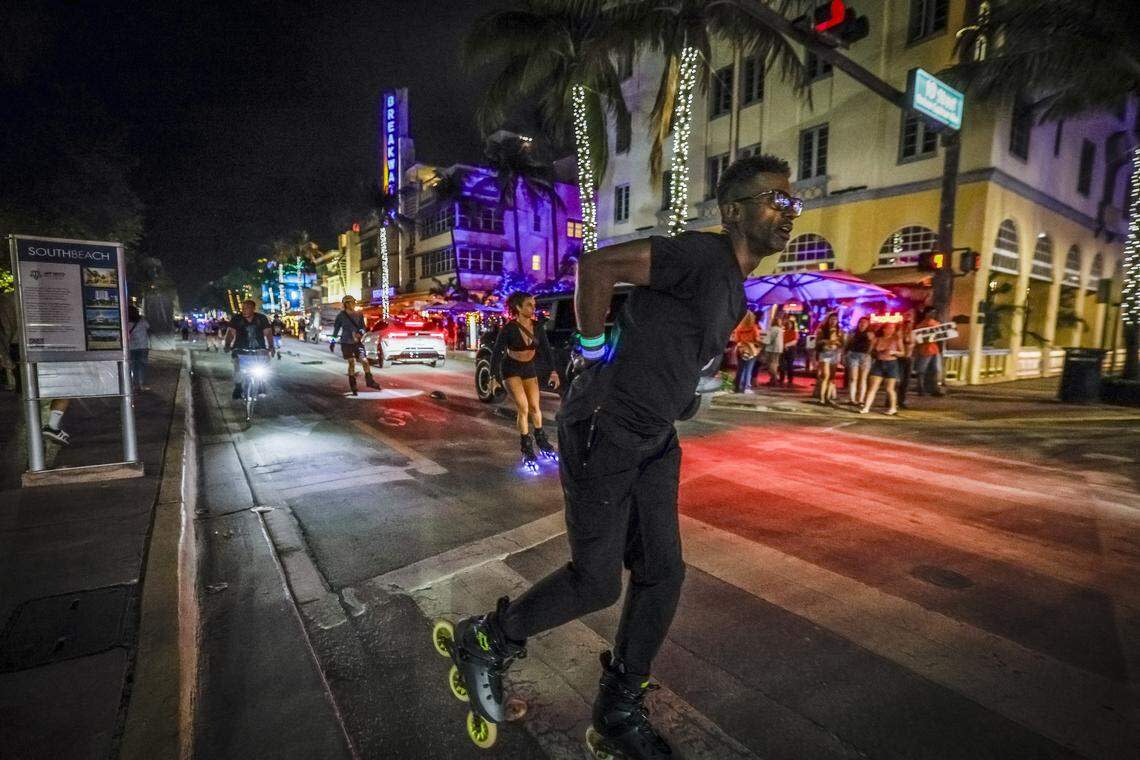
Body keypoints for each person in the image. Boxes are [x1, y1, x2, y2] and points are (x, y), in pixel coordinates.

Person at [443, 154, 800, 759]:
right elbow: (597, 265)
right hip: (605, 429)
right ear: (733, 211)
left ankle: (618, 704)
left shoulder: (733, 287)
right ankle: (488, 639)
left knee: (664, 573)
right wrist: (587, 347)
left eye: (792, 203)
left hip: (655, 438)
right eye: (774, 200)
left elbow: (669, 351)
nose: (786, 212)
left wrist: (689, 389)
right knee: (595, 583)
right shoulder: (700, 255)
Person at [490, 291, 560, 467]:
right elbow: (497, 352)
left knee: (536, 407)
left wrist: (553, 371)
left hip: (529, 369)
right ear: (518, 308)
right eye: (529, 304)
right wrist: (494, 377)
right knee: (524, 407)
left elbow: (546, 350)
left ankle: (541, 440)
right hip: (511, 369)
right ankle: (527, 448)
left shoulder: (537, 327)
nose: (533, 308)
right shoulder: (509, 328)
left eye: (533, 305)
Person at [224, 299, 275, 399]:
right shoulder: (236, 319)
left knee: (265, 365)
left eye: (247, 308)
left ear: (253, 309)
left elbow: (268, 333)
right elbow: (230, 333)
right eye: (243, 308)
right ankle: (238, 387)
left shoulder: (261, 318)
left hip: (258, 350)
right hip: (240, 350)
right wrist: (227, 344)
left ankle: (261, 383)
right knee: (237, 367)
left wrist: (271, 346)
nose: (244, 310)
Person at [331, 295, 379, 395]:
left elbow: (363, 328)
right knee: (351, 362)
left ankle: (370, 381)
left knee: (365, 361)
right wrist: (333, 342)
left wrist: (360, 333)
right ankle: (353, 385)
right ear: (345, 304)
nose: (351, 304)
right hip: (346, 343)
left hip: (358, 343)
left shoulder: (359, 314)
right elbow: (336, 330)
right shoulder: (341, 316)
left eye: (352, 302)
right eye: (349, 303)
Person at [861, 321, 904, 415]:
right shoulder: (877, 339)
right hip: (879, 363)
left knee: (890, 388)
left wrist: (894, 352)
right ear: (884, 329)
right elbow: (870, 351)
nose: (890, 330)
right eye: (889, 328)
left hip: (891, 363)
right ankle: (866, 407)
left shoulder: (896, 339)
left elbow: (902, 353)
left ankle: (893, 408)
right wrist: (877, 352)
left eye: (893, 328)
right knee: (873, 387)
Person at [914, 307, 945, 396]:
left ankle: (934, 389)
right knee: (921, 370)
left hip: (934, 349)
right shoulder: (921, 325)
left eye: (934, 313)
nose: (933, 314)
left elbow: (942, 335)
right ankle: (920, 388)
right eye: (931, 312)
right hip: (924, 350)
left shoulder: (936, 324)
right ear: (926, 313)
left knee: (935, 370)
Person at [844, 316, 873, 406]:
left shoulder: (870, 333)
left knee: (863, 379)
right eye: (860, 322)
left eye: (865, 322)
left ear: (868, 324)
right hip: (853, 355)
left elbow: (872, 345)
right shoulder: (853, 333)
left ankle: (861, 400)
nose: (862, 324)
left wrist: (868, 354)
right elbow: (847, 344)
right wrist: (844, 354)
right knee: (853, 378)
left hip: (865, 356)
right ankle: (852, 399)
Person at [814, 312, 842, 406]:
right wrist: (826, 341)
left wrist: (837, 342)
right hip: (825, 353)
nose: (833, 321)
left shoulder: (839, 331)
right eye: (831, 319)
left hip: (834, 353)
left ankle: (828, 397)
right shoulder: (823, 330)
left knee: (832, 377)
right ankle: (822, 398)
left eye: (835, 319)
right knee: (825, 375)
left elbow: (842, 343)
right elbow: (818, 342)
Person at [731, 310, 761, 393]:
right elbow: (757, 339)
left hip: (741, 349)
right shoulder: (754, 327)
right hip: (751, 350)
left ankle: (737, 387)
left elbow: (736, 339)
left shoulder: (739, 327)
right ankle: (746, 387)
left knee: (740, 369)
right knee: (749, 369)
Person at [127, 304, 152, 391]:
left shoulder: (126, 321)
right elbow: (148, 328)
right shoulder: (142, 320)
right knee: (143, 365)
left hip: (131, 347)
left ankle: (135, 384)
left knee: (133, 366)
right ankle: (144, 384)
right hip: (143, 346)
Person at [897, 311, 916, 409]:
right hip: (899, 358)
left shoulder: (914, 333)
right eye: (906, 322)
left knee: (906, 381)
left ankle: (902, 400)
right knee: (896, 380)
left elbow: (914, 344)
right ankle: (891, 400)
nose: (908, 324)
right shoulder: (899, 332)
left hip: (909, 358)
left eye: (910, 322)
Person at [760, 313, 783, 386]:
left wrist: (763, 344)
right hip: (778, 349)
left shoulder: (773, 329)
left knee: (770, 364)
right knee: (775, 364)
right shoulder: (780, 329)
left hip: (772, 349)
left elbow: (769, 339)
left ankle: (774, 378)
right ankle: (773, 380)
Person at [778, 314, 798, 386]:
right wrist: (783, 346)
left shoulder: (794, 332)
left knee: (790, 365)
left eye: (790, 324)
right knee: (782, 365)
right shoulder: (783, 332)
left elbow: (795, 341)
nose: (789, 325)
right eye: (787, 324)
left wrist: (786, 345)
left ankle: (790, 379)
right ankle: (781, 378)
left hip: (791, 350)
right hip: (783, 349)